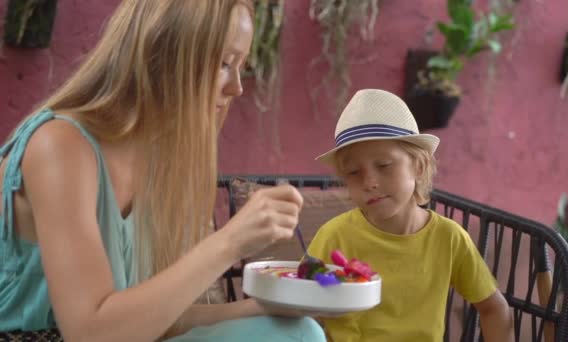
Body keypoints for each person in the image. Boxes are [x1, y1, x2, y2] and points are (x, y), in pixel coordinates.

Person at [0, 1, 326, 341]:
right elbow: (91, 333)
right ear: (166, 52)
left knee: (295, 332)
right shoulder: (59, 146)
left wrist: (259, 308)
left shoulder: (156, 160)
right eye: (224, 64)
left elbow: (147, 321)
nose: (236, 89)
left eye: (240, 66)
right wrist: (230, 241)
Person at [308, 89, 514, 341]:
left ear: (419, 165)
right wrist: (327, 287)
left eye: (384, 166)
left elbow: (494, 309)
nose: (370, 182)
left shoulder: (448, 238)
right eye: (353, 172)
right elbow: (301, 304)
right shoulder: (334, 236)